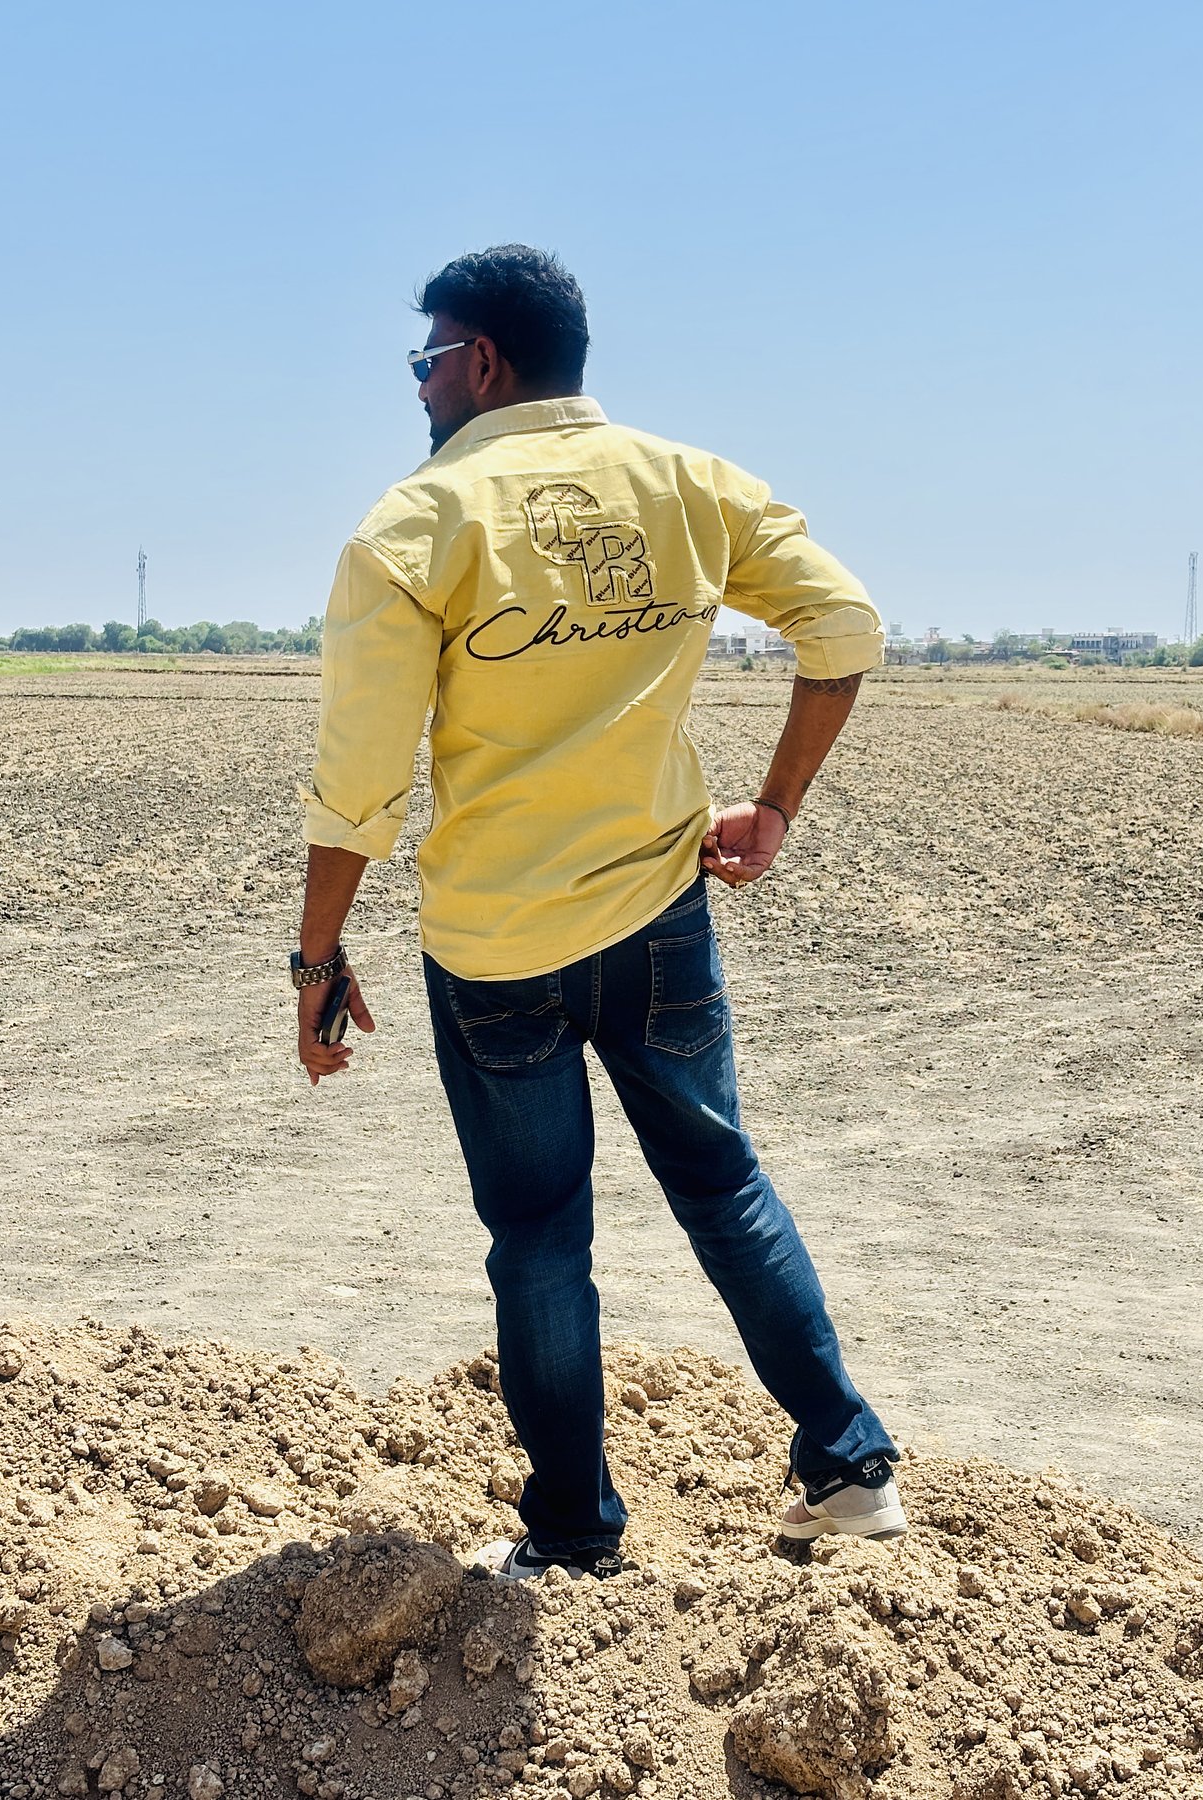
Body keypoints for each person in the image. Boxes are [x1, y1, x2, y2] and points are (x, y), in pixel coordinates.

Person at [294, 244, 906, 1579]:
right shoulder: (687, 486)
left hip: (495, 947)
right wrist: (775, 806)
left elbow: (360, 784)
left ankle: (573, 1537)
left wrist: (315, 957)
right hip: (658, 917)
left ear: (482, 363)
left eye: (425, 361)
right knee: (722, 1183)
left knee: (537, 1240)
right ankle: (849, 1465)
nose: (417, 387)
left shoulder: (413, 528)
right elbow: (844, 627)